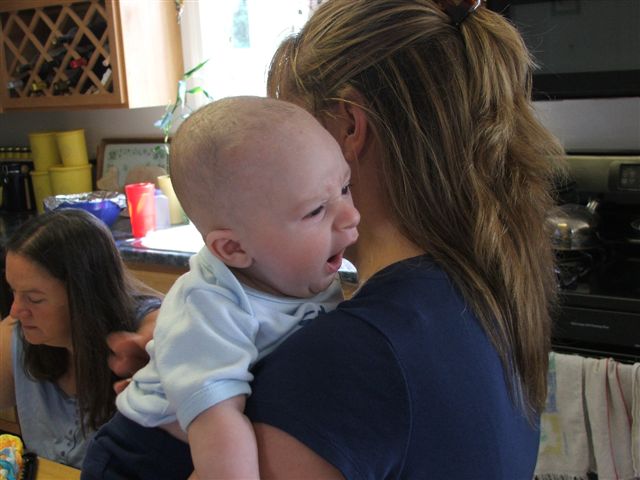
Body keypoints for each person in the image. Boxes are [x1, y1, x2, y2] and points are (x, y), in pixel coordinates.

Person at [102, 0, 566, 478]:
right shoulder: (490, 288)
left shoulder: (347, 359)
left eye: (295, 124)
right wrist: (193, 357)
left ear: (349, 125)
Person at [81, 96, 360, 480]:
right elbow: (219, 424)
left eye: (345, 187)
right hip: (144, 458)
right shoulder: (210, 307)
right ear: (233, 249)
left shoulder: (294, 271)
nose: (351, 215)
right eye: (315, 210)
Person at [0, 209, 162, 469]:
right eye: (13, 292)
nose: (15, 311)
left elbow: (159, 320)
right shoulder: (21, 334)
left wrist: (150, 343)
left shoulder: (144, 337)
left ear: (84, 296)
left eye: (35, 299)